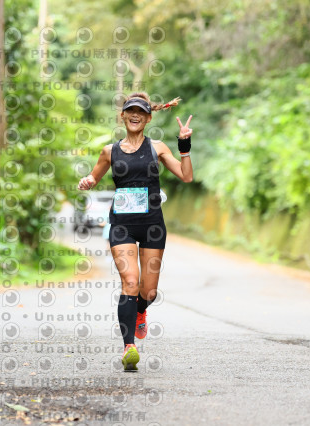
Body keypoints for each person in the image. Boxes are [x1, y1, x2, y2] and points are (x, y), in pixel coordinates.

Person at [78, 92, 193, 371]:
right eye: (130, 111)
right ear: (123, 116)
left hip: (152, 225)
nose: (135, 115)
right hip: (122, 226)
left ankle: (140, 311)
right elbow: (95, 176)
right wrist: (88, 181)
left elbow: (186, 176)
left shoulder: (157, 148)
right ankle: (129, 347)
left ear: (148, 118)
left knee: (149, 292)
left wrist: (184, 146)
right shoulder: (109, 151)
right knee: (130, 282)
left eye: (141, 112)